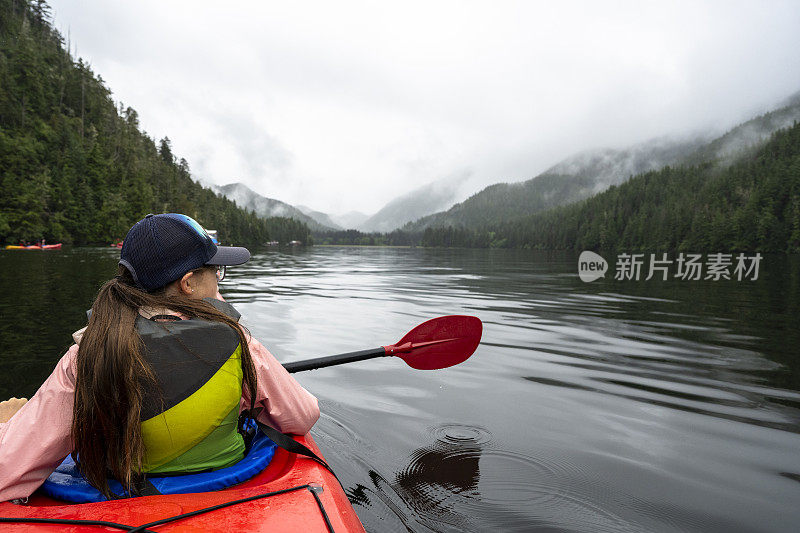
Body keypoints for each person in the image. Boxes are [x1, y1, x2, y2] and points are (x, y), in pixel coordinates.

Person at [0, 213, 319, 501]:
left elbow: (6, 472)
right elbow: (303, 416)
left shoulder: (86, 356)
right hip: (222, 492)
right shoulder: (241, 346)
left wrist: (8, 426)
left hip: (118, 501)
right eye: (216, 272)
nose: (219, 281)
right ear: (189, 282)